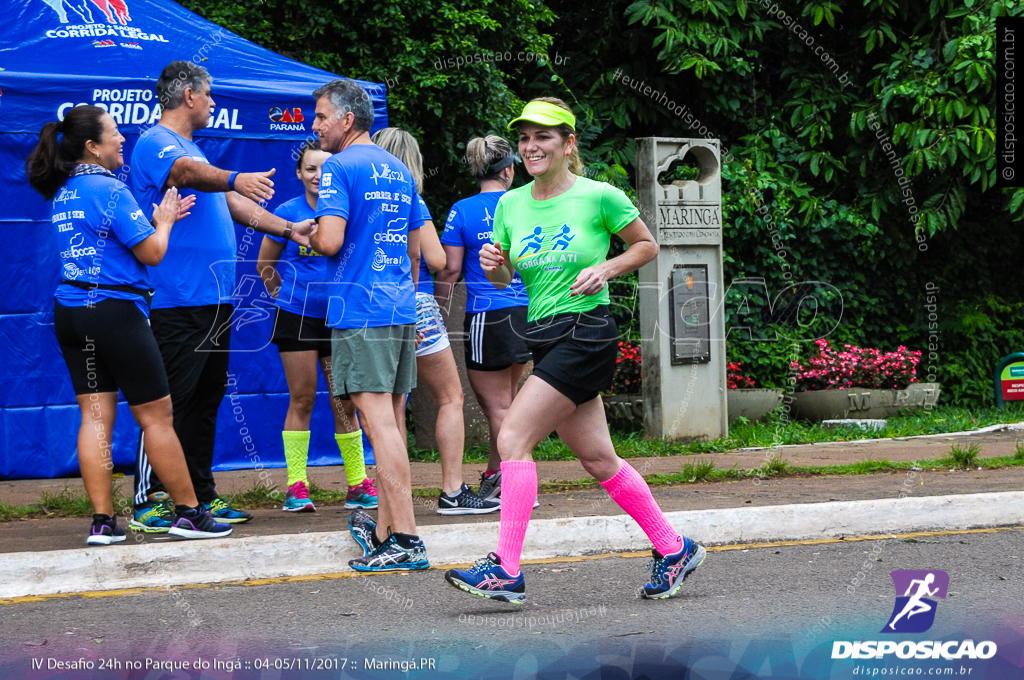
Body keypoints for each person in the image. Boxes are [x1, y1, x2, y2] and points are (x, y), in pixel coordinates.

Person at [444, 98, 705, 603]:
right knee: (598, 458)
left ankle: (506, 569)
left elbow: (646, 245)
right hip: (542, 334)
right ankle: (673, 549)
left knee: (513, 438)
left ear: (568, 144)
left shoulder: (599, 196)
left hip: (587, 332)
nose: (531, 146)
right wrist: (494, 261)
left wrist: (606, 268)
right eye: (524, 138)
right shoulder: (511, 204)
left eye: (543, 137)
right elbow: (504, 275)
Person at [25, 105, 232, 544]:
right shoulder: (111, 190)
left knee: (95, 417)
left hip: (72, 312)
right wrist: (165, 221)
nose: (122, 140)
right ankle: (189, 513)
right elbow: (153, 253)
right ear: (92, 146)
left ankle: (103, 523)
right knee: (158, 417)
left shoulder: (64, 191)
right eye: (115, 133)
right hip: (115, 312)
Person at [129, 61, 316, 531]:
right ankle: (150, 500)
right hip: (175, 299)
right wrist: (234, 177)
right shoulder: (158, 143)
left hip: (214, 302)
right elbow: (189, 174)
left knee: (206, 400)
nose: (213, 102)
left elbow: (231, 203)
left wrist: (290, 228)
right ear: (188, 95)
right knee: (168, 404)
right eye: (209, 94)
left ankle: (199, 497)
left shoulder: (194, 151)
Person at [308, 79, 427, 571]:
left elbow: (332, 241)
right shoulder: (398, 167)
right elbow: (419, 248)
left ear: (346, 120)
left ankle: (407, 538)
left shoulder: (338, 167)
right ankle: (384, 530)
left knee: (378, 427)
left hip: (360, 310)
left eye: (320, 117)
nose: (315, 126)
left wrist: (309, 233)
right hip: (398, 307)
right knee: (391, 425)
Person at [371, 127, 499, 516]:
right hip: (414, 305)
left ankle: (394, 498)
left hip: (369, 309)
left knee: (389, 408)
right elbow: (437, 260)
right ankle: (452, 490)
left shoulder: (356, 198)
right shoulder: (410, 197)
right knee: (449, 397)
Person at [256, 139, 376, 513]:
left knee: (345, 402)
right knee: (303, 398)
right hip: (297, 317)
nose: (318, 175)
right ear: (299, 172)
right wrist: (289, 298)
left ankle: (357, 483)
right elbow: (264, 267)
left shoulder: (346, 210)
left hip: (342, 317)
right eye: (311, 168)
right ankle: (296, 486)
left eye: (326, 168)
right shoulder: (287, 213)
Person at [435, 136, 532, 504]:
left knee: (498, 408)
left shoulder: (463, 209)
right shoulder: (527, 203)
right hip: (527, 312)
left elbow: (450, 270)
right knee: (508, 404)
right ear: (508, 169)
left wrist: (436, 313)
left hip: (487, 315)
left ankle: (516, 482)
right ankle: (497, 476)